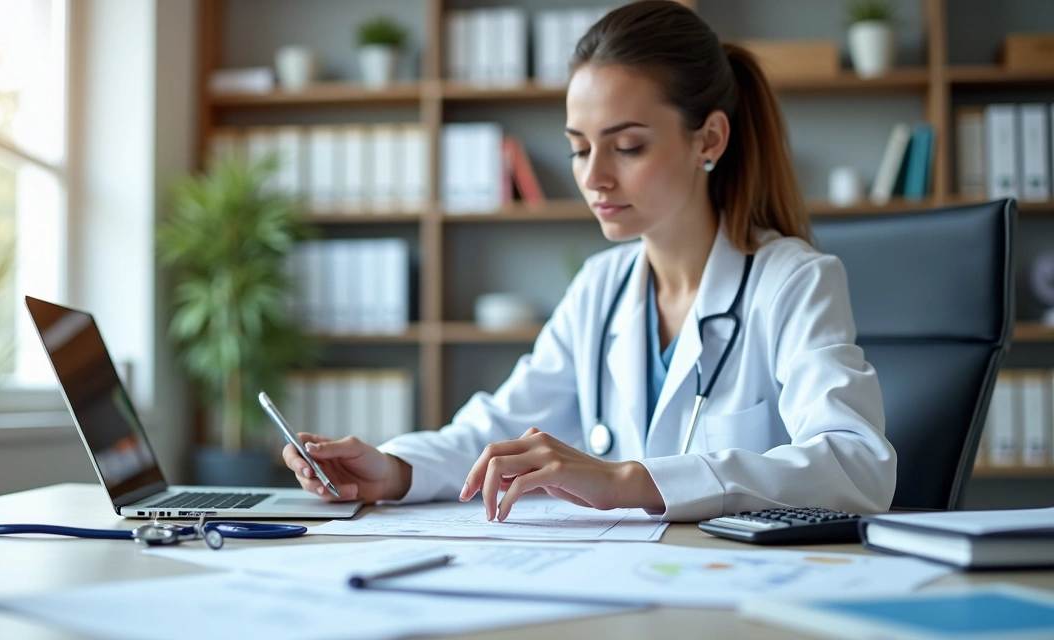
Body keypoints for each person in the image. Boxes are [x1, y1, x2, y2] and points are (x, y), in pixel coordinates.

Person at [281, 0, 897, 522]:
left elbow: (858, 465)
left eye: (627, 146)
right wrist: (392, 469)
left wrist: (630, 481)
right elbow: (496, 428)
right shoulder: (602, 287)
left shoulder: (793, 281)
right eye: (579, 149)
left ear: (708, 138)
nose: (595, 177)